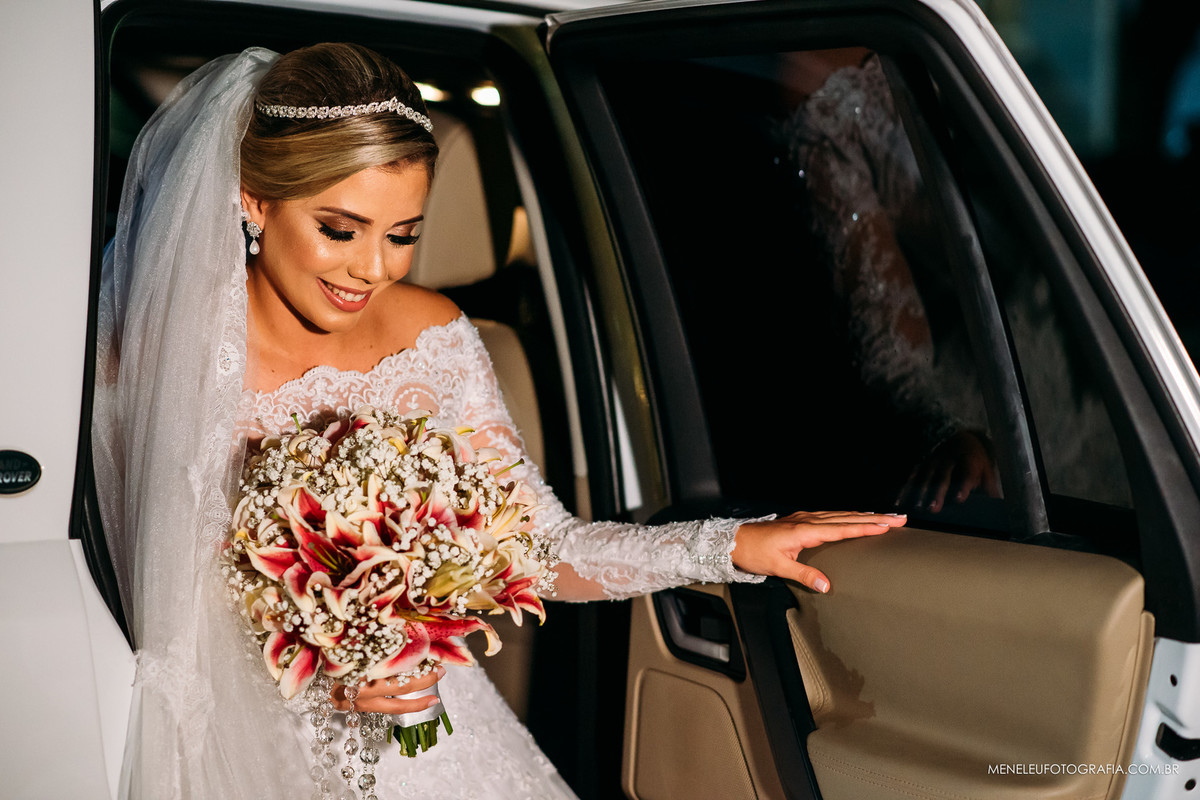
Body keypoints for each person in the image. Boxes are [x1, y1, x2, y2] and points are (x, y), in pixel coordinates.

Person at [92, 43, 906, 799]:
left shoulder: (435, 336)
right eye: (340, 230)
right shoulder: (159, 357)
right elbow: (149, 603)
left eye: (403, 235)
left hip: (435, 740)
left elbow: (540, 550)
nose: (372, 269)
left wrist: (725, 545)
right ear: (255, 201)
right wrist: (330, 662)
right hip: (240, 751)